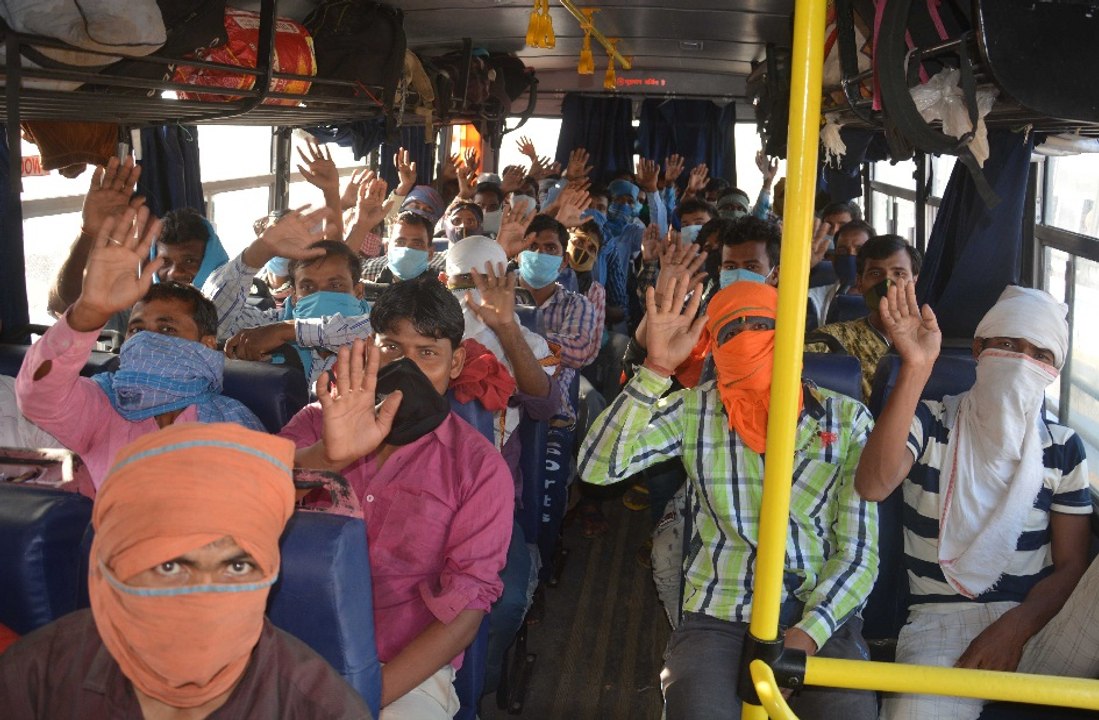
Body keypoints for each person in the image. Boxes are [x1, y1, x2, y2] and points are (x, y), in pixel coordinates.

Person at [579, 278, 879, 720]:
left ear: (788, 333)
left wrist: (806, 635)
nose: (746, 339)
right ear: (715, 348)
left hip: (817, 609)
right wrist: (656, 372)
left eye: (761, 324)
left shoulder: (847, 418)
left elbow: (859, 553)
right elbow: (597, 467)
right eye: (730, 332)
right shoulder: (695, 409)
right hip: (719, 609)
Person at [0, 422, 373, 719]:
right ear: (113, 569)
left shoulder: (318, 708)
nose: (205, 597)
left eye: (237, 566)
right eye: (171, 565)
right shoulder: (38, 676)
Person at [856, 283, 1099, 720]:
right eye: (1007, 345)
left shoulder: (1062, 447)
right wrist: (917, 365)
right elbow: (873, 485)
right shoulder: (930, 419)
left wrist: (1015, 628)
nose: (1022, 361)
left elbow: (1072, 566)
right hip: (939, 626)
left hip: (1038, 622)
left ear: (1053, 371)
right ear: (978, 350)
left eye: (1039, 354)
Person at [280, 279, 513, 718]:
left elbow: (467, 606)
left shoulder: (478, 469)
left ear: (456, 362)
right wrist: (326, 456)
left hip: (400, 665)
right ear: (371, 349)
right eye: (392, 349)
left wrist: (365, 696)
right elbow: (247, 497)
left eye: (427, 353)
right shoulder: (319, 423)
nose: (407, 367)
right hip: (288, 640)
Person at [16, 207, 262, 490]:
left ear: (205, 345)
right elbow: (38, 395)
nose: (146, 339)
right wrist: (88, 311)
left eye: (167, 329)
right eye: (136, 329)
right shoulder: (104, 404)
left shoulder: (232, 420)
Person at [805, 235, 922, 401]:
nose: (887, 283)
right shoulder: (833, 339)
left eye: (899, 273)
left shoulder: (929, 338)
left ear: (915, 282)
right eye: (875, 273)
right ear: (860, 283)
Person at [806, 219, 875, 326]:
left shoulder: (887, 300)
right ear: (834, 260)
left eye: (860, 250)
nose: (851, 256)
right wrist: (802, 269)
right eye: (842, 251)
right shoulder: (814, 299)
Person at [360, 209, 445, 284]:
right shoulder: (368, 275)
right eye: (400, 242)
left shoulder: (443, 285)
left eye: (417, 244)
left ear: (430, 253)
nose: (407, 250)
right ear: (386, 248)